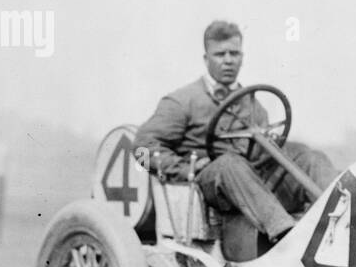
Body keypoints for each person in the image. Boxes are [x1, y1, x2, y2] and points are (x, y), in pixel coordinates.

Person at [134, 20, 336, 244]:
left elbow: (264, 153)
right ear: (206, 59)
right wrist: (183, 169)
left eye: (234, 53)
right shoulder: (182, 101)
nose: (228, 60)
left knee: (307, 155)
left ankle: (344, 218)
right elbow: (141, 148)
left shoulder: (252, 104)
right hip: (211, 187)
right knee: (230, 163)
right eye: (220, 54)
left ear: (242, 57)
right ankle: (285, 236)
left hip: (252, 182)